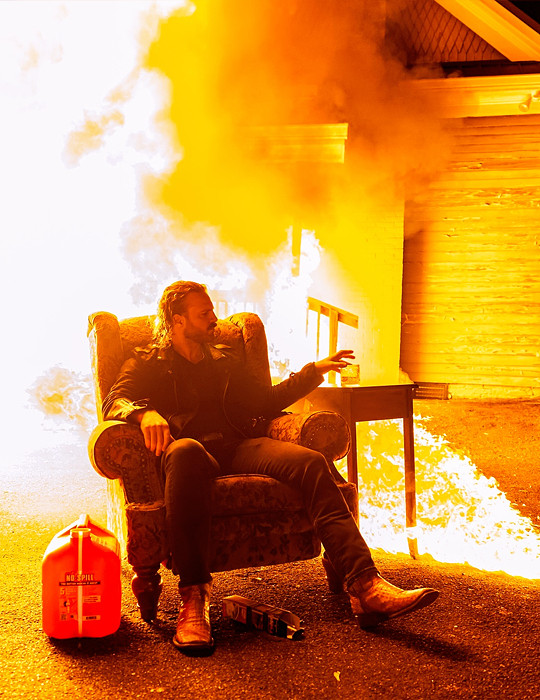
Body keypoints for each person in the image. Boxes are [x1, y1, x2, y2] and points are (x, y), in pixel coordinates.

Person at [103, 280, 439, 655]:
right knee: (184, 452)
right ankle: (194, 599)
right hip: (190, 454)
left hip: (237, 445)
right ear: (178, 321)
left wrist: (314, 371)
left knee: (312, 463)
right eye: (205, 314)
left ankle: (365, 584)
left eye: (212, 310)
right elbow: (114, 400)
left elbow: (265, 400)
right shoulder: (148, 360)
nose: (215, 319)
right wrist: (143, 412)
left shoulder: (222, 359)